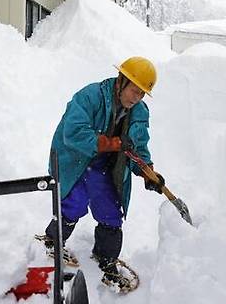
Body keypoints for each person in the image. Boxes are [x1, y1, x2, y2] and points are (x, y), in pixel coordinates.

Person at [41, 56, 165, 292]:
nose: (136, 98)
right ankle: (52, 240)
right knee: (73, 204)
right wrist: (114, 143)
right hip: (74, 159)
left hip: (103, 166)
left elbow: (137, 148)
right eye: (134, 90)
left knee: (110, 212)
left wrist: (147, 172)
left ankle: (105, 258)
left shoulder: (139, 111)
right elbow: (73, 133)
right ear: (122, 81)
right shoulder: (90, 96)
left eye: (141, 94)